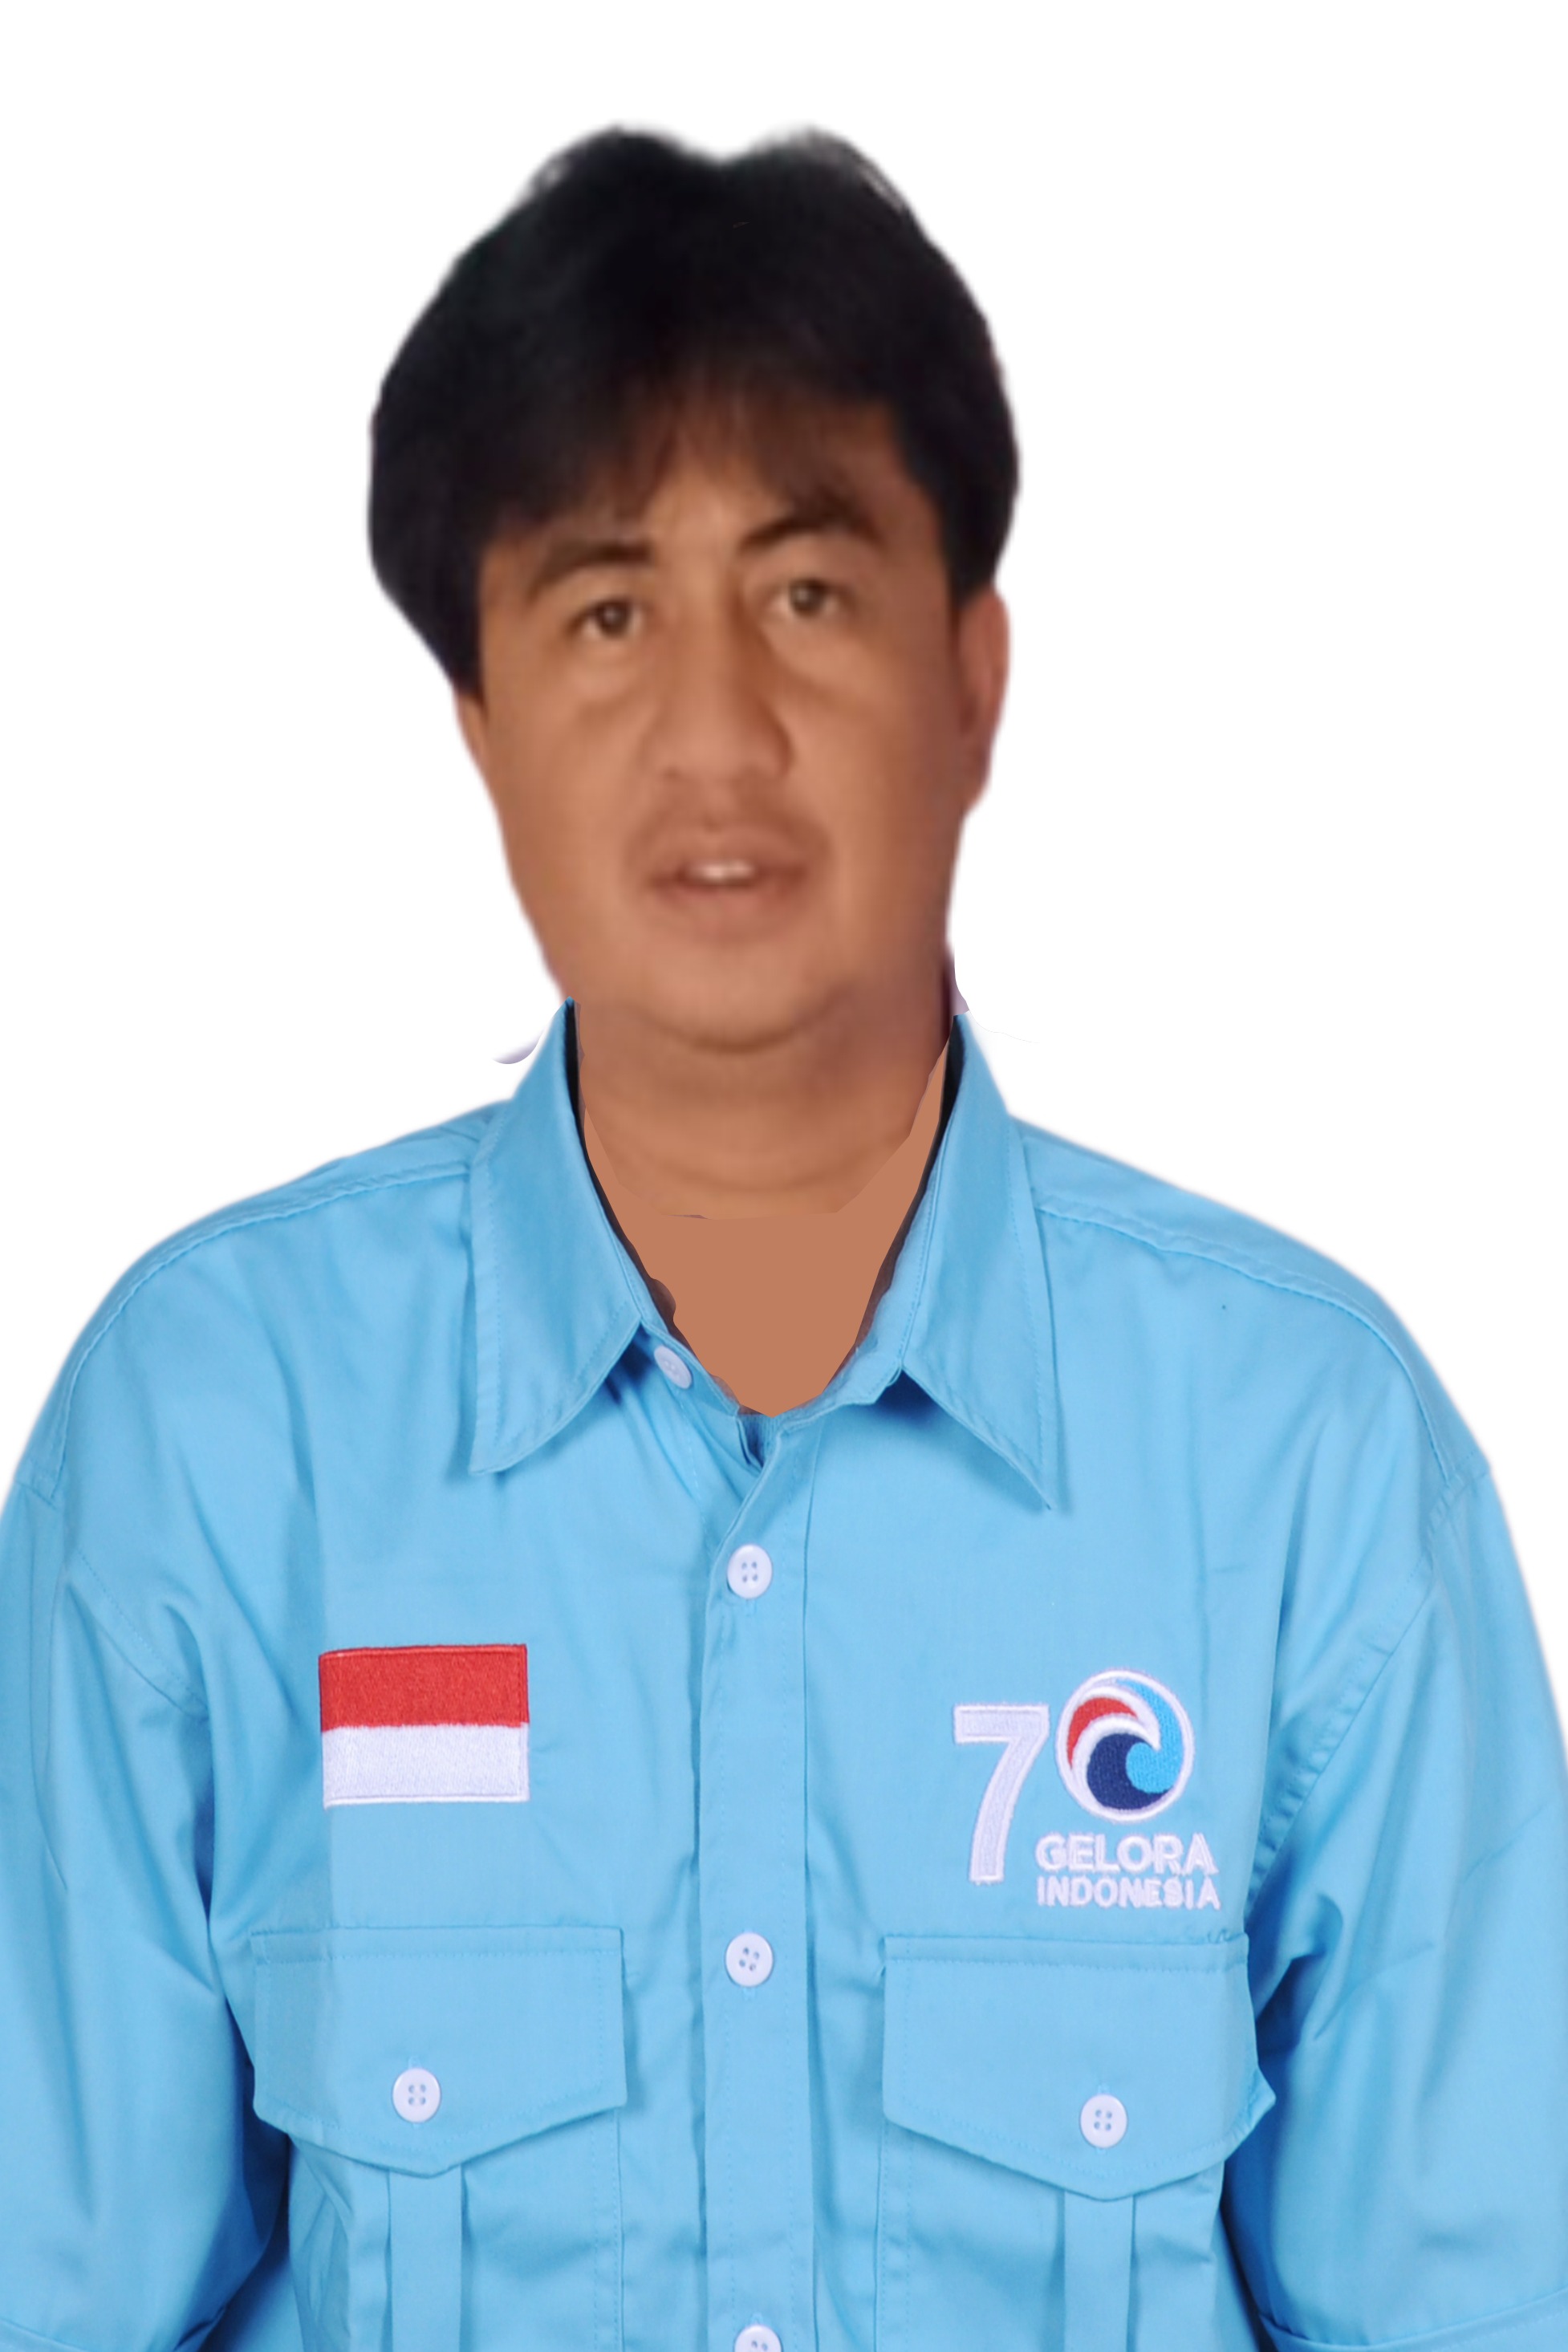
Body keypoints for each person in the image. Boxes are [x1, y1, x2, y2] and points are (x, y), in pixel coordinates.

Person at [0, 123, 1563, 2352]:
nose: (715, 731)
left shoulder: (1306, 1462)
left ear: (973, 680)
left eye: (809, 595)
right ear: (480, 721)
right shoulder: (214, 1436)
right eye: (606, 610)